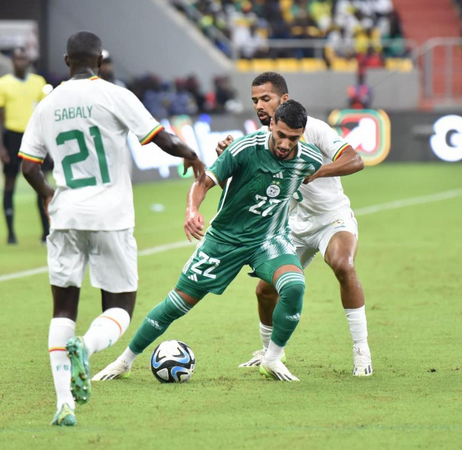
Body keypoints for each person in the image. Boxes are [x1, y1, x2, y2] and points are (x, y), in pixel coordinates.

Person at [17, 31, 206, 427]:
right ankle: (85, 348)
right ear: (99, 61)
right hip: (111, 218)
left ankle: (63, 401)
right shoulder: (115, 94)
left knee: (63, 307)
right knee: (119, 307)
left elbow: (29, 167)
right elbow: (161, 139)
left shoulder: (46, 105)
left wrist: (50, 196)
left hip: (66, 215)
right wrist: (191, 154)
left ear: (67, 61)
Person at [93, 100, 323, 386]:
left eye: (294, 138)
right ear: (272, 125)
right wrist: (192, 210)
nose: (286, 144)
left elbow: (314, 178)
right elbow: (203, 182)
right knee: (177, 304)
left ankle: (272, 358)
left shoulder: (309, 159)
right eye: (281, 135)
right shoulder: (244, 149)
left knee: (294, 285)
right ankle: (124, 361)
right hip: (224, 241)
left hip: (268, 239)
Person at [218, 72, 371, 376]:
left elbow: (355, 160)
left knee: (342, 264)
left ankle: (361, 350)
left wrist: (316, 172)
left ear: (283, 99)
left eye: (266, 98)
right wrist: (228, 160)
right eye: (255, 100)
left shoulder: (313, 129)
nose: (259, 106)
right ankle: (270, 353)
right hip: (293, 225)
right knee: (264, 291)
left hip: (331, 217)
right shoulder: (262, 139)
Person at [0, 47, 51, 245]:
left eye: (24, 59)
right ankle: (10, 233)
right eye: (17, 58)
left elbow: (46, 113)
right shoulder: (2, 84)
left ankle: (46, 231)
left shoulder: (39, 82)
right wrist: (0, 145)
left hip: (36, 136)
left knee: (41, 181)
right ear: (12, 61)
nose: (21, 62)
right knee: (10, 183)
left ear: (29, 61)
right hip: (13, 136)